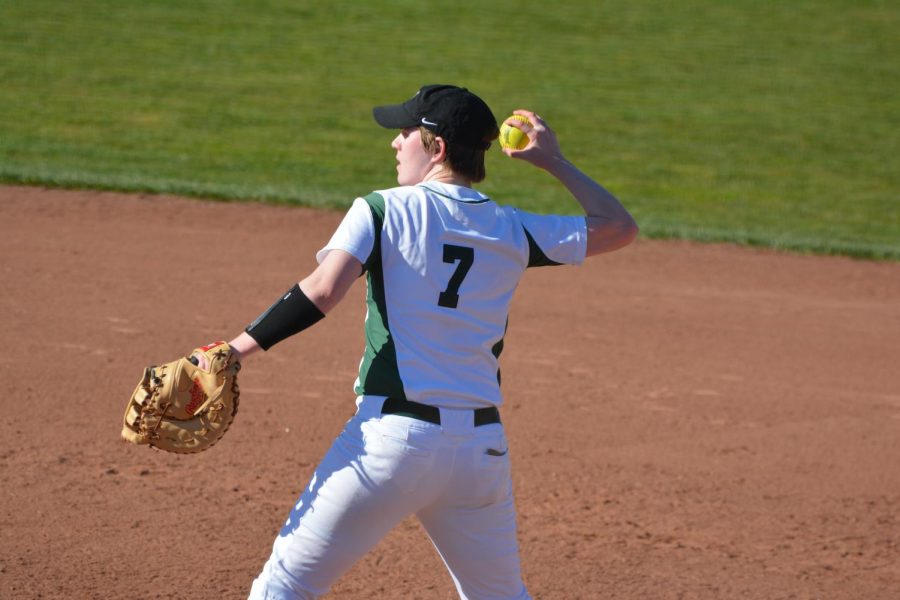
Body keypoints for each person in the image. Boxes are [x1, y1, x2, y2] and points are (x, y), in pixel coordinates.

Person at [216, 84, 638, 599]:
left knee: (281, 589)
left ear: (436, 147)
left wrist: (231, 351)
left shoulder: (382, 209)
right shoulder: (513, 228)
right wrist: (554, 161)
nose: (395, 143)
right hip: (480, 454)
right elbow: (619, 226)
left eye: (405, 132)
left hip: (391, 444)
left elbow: (323, 291)